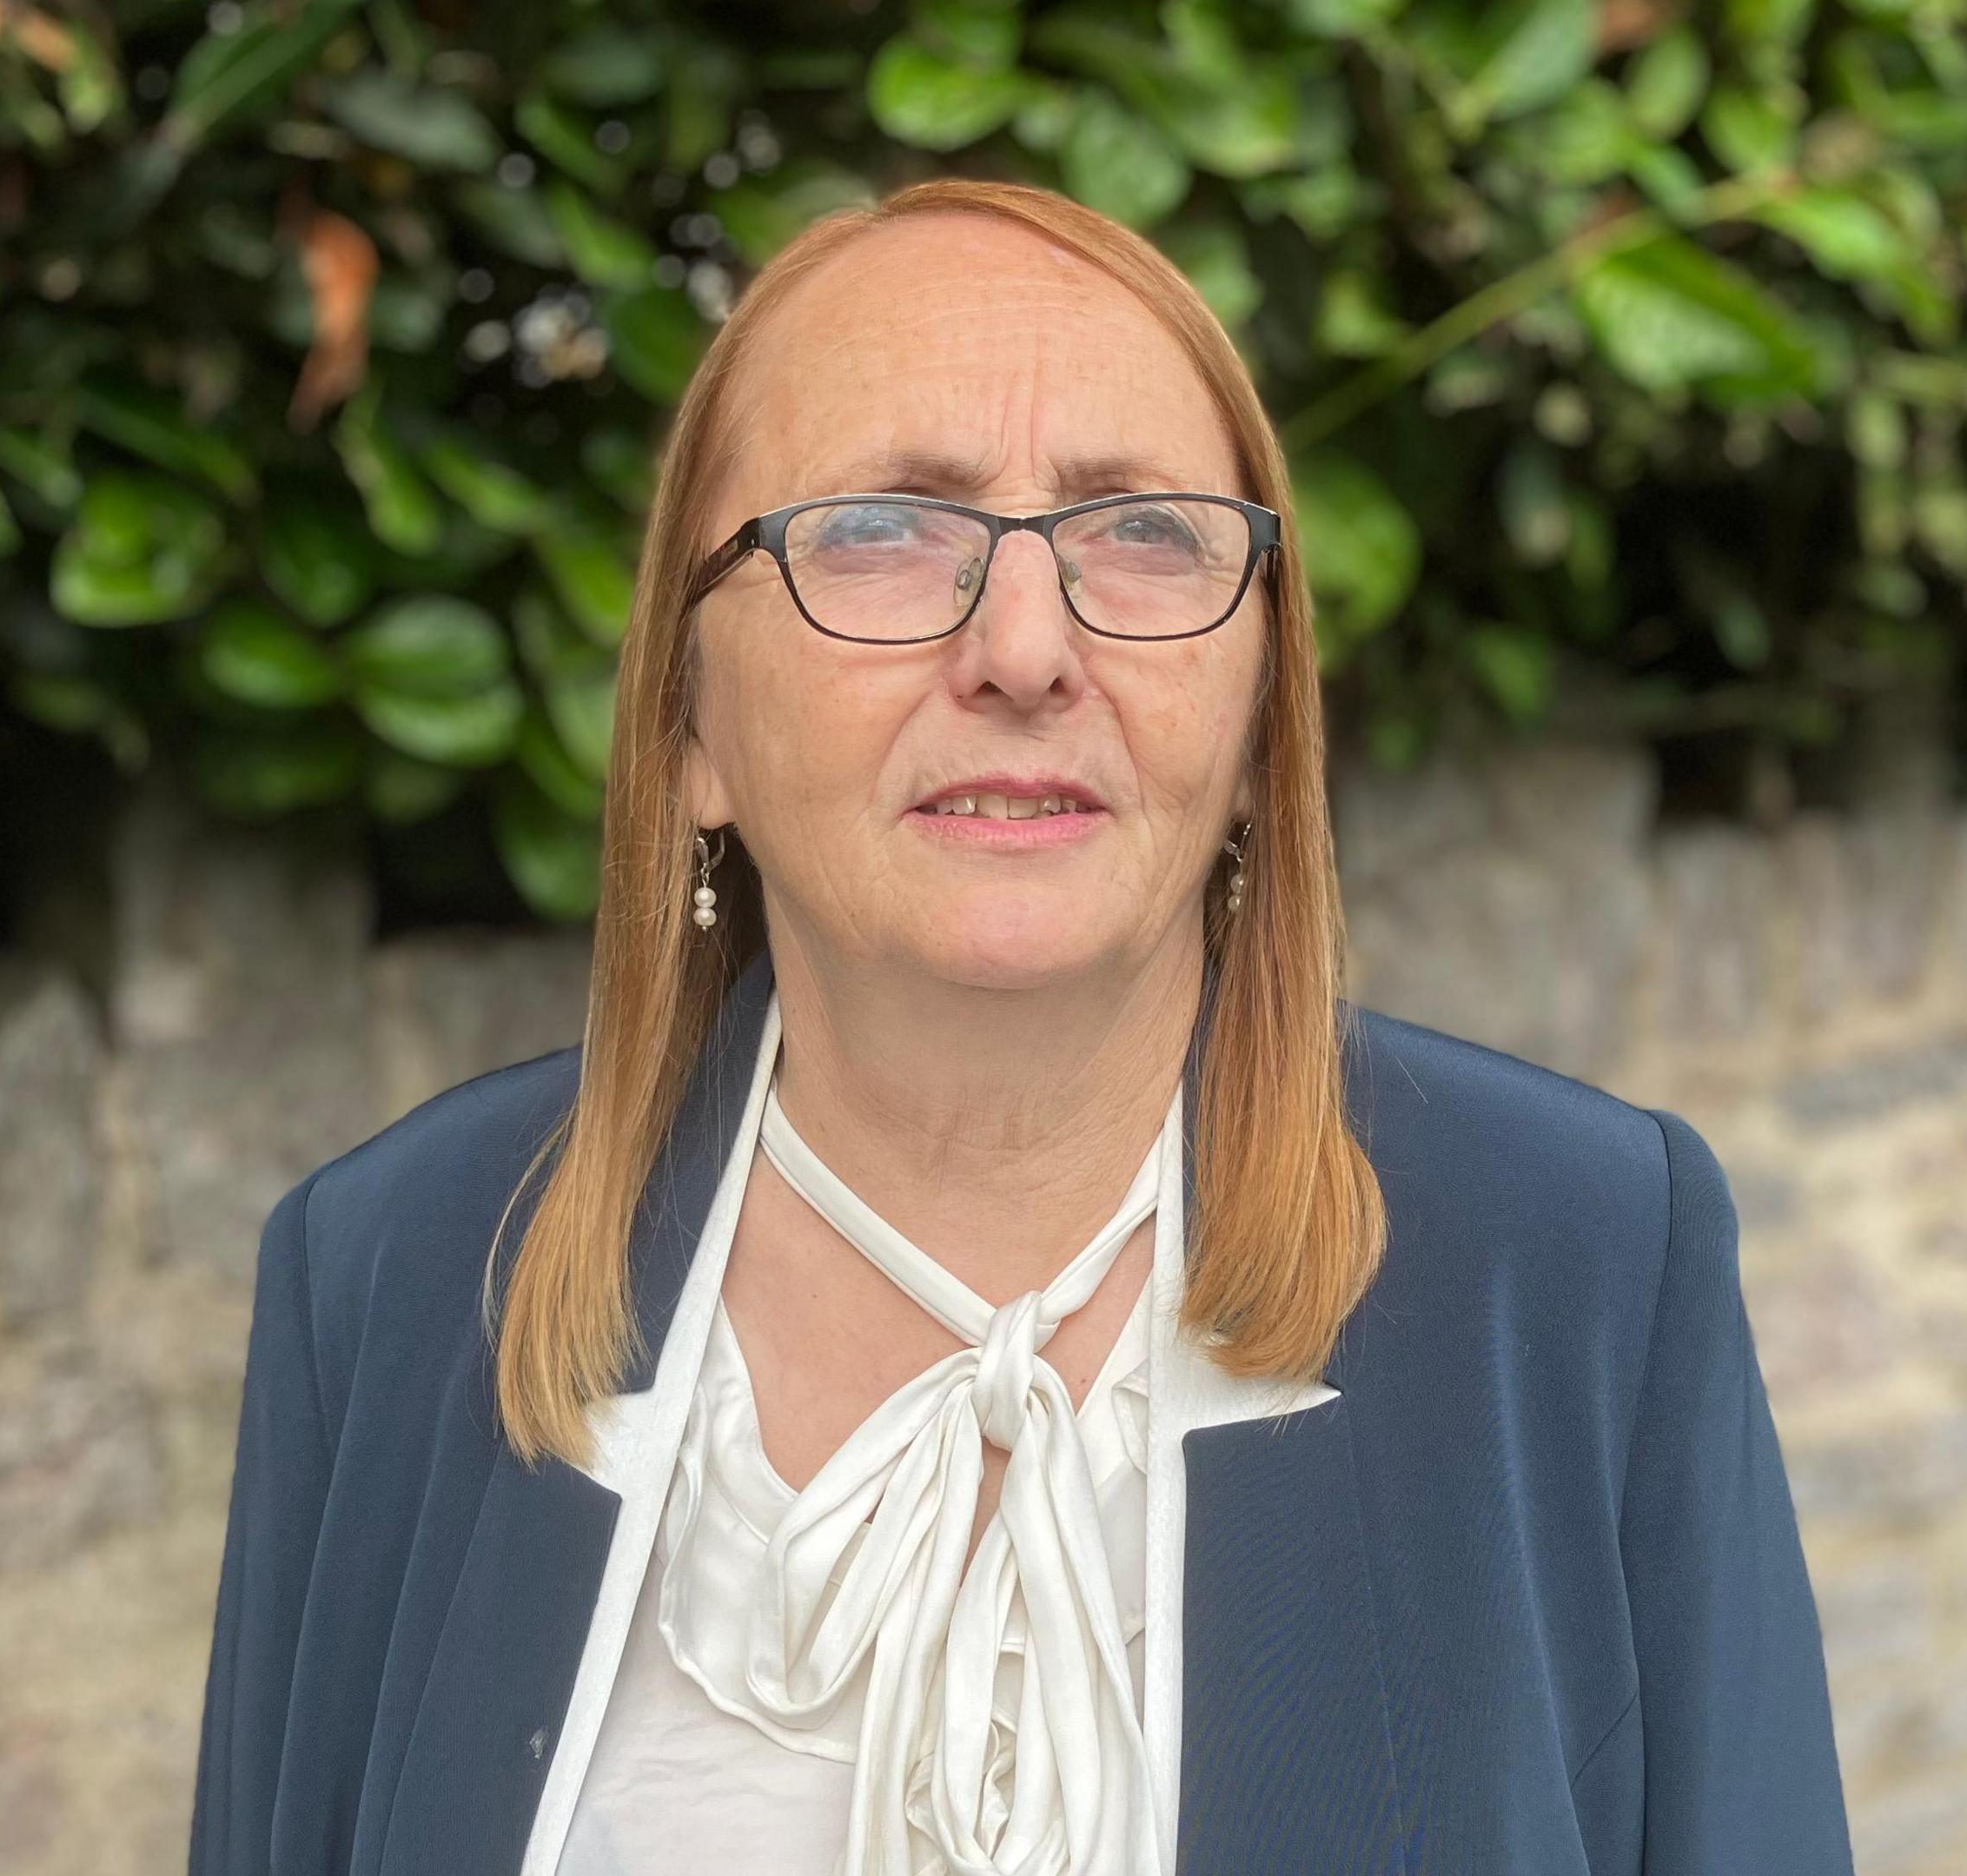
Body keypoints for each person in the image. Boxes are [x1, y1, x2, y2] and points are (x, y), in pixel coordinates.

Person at [186, 176, 1854, 1876]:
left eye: (1142, 532)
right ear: (688, 724)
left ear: (1262, 709)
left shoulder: (1575, 1260)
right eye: (881, 528)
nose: (1026, 650)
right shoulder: (394, 1272)